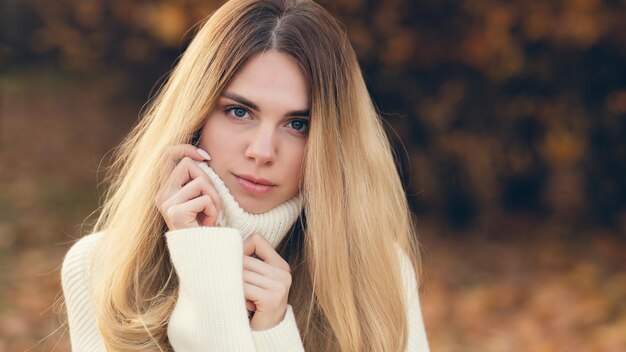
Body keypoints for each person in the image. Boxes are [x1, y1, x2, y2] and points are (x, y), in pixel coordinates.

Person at [60, 0, 430, 350]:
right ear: (197, 114)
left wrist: (274, 333)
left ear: (332, 143)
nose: (263, 151)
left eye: (298, 124)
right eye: (239, 112)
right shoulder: (102, 268)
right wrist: (205, 265)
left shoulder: (381, 274)